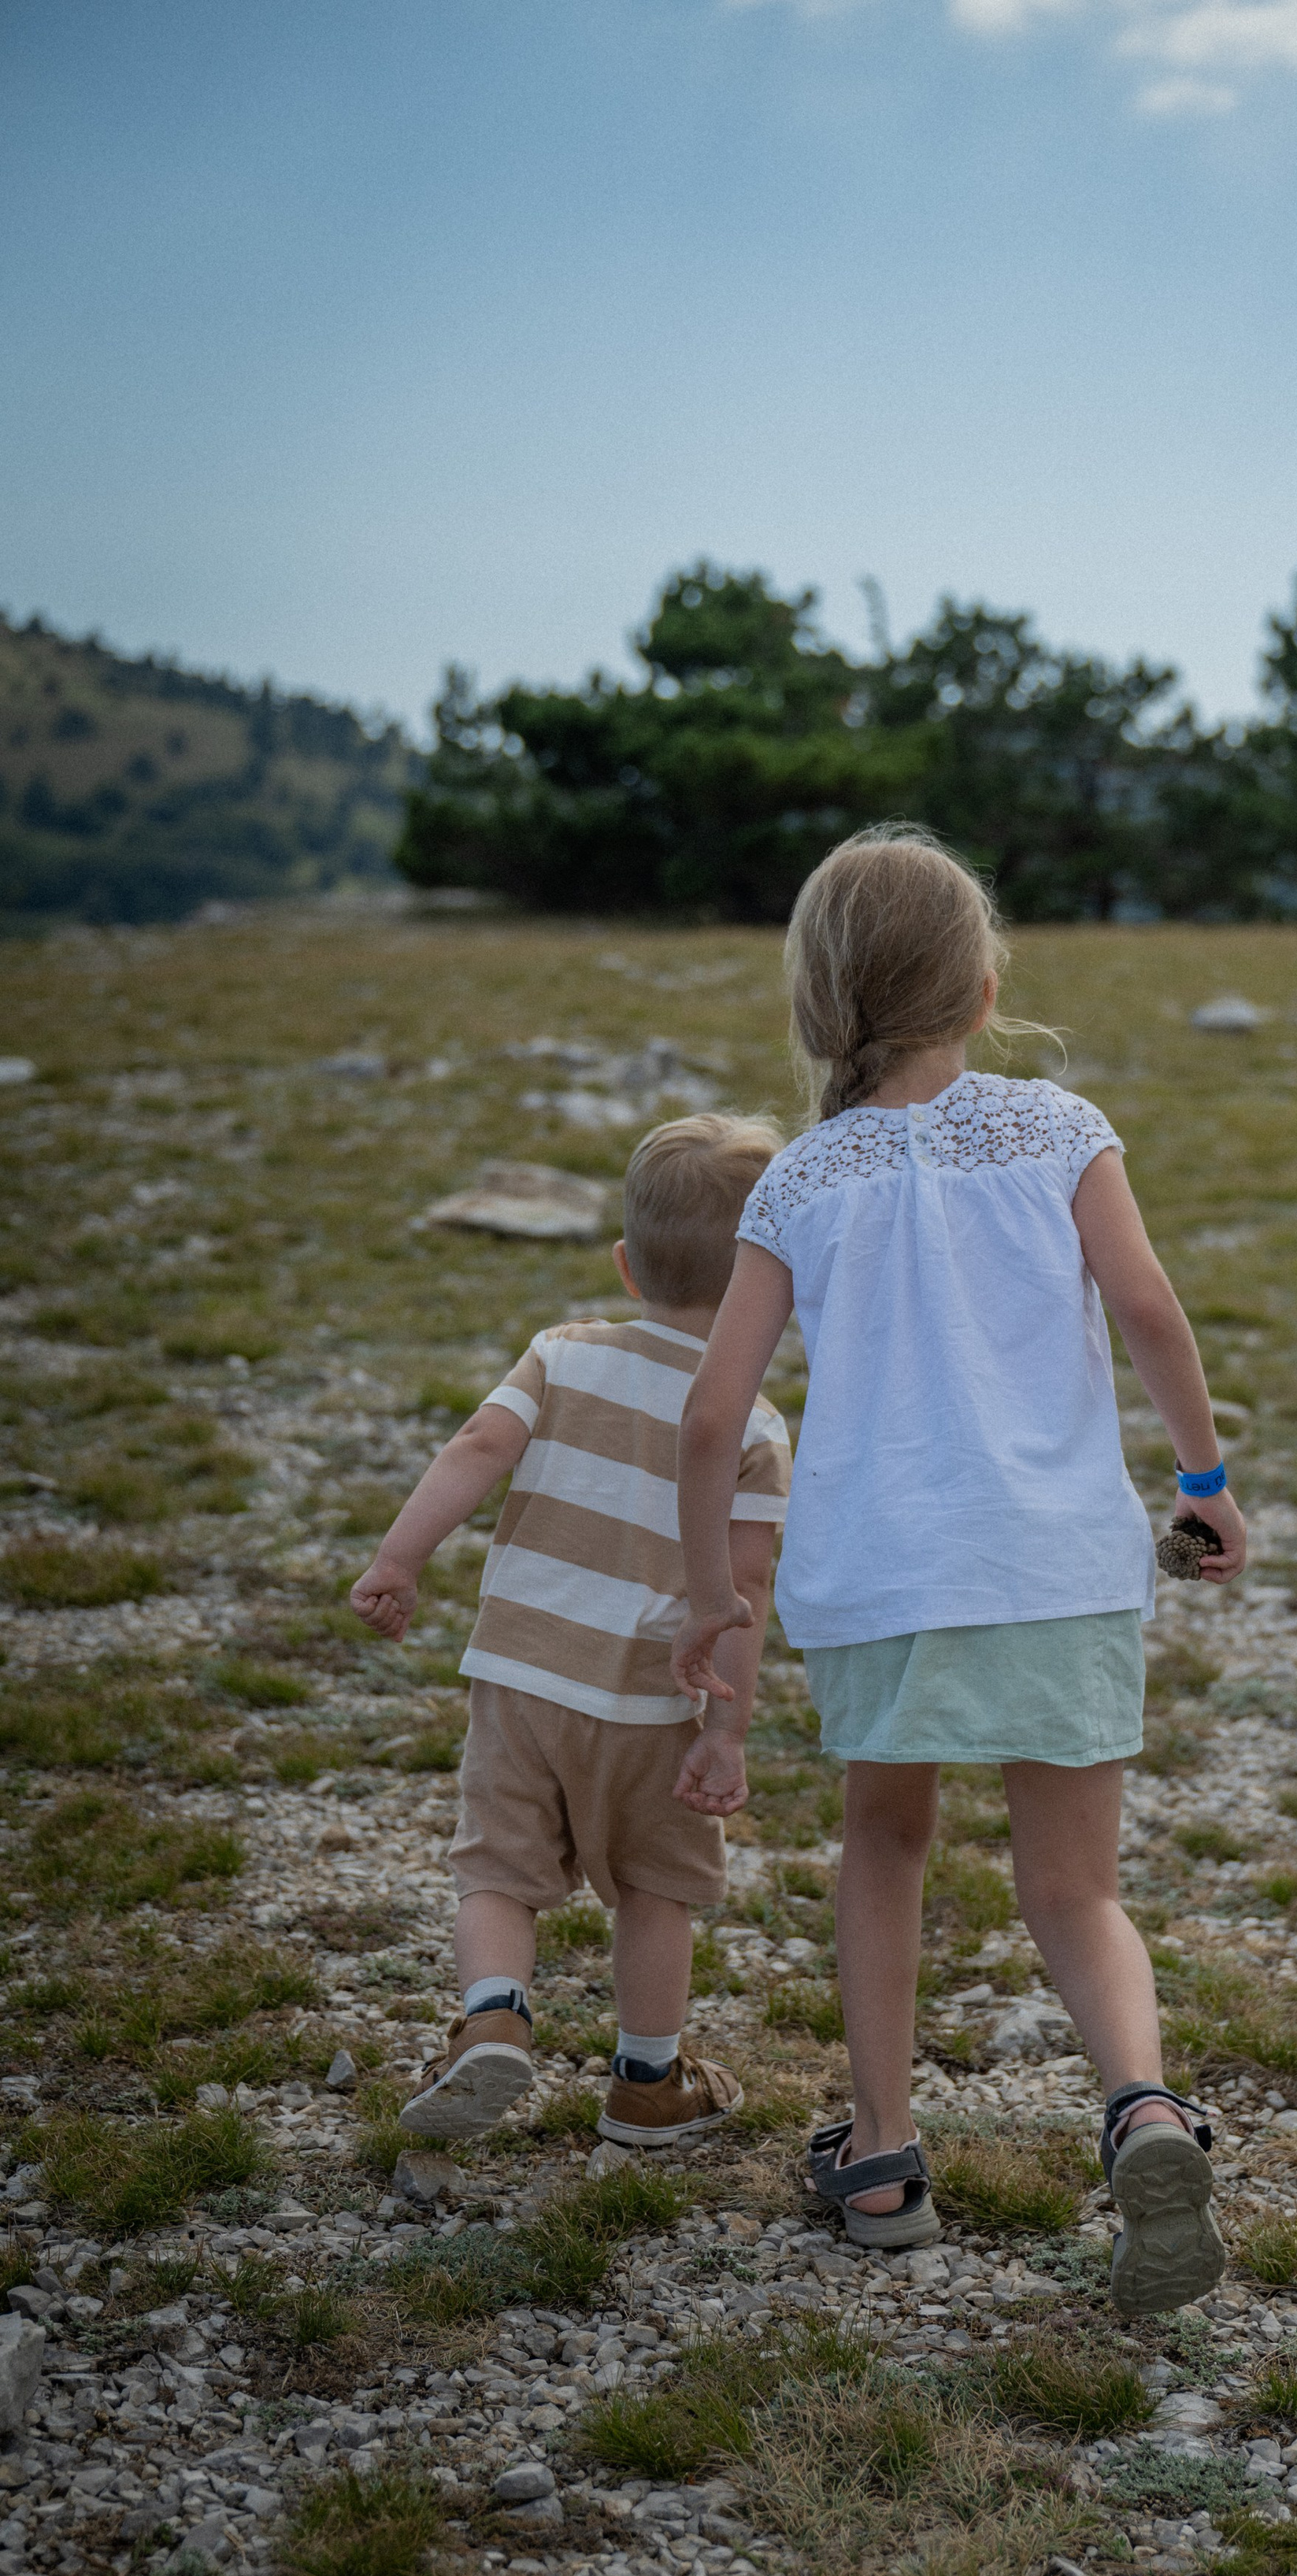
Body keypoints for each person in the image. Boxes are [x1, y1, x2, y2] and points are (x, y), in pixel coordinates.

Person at [672, 827, 1247, 2315]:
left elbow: (714, 1416)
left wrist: (711, 1593)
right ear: (985, 991)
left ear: (818, 1004)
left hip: (886, 1577)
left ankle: (879, 2158)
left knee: (888, 1844)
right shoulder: (1061, 1131)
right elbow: (1154, 1315)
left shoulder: (797, 1182)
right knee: (1076, 1890)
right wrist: (1203, 1483)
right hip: (1058, 1564)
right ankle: (1145, 2112)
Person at [350, 1112, 791, 2150]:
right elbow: (746, 1585)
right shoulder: (759, 1429)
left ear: (625, 1265)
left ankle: (494, 2015)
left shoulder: (561, 1356)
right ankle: (646, 2084)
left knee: (498, 1870)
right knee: (654, 1889)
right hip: (650, 1698)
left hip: (520, 1673)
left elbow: (474, 1447)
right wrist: (726, 1733)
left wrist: (397, 1559)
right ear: (776, 1290)